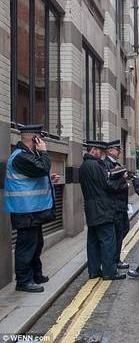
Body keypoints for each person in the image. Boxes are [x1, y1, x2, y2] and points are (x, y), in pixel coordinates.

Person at [4, 125, 60, 292]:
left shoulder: (27, 156)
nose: (42, 141)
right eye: (40, 137)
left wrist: (49, 179)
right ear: (35, 138)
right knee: (26, 246)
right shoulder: (20, 157)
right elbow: (42, 167)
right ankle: (23, 281)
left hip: (33, 209)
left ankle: (36, 274)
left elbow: (36, 174)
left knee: (36, 244)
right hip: (24, 210)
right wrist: (43, 151)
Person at [80, 141, 127, 281]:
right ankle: (109, 272)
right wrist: (120, 179)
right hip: (103, 208)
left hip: (91, 208)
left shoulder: (84, 166)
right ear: (93, 150)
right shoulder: (96, 165)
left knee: (93, 241)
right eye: (100, 151)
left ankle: (94, 271)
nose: (102, 154)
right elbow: (108, 185)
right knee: (108, 240)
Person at [103, 140, 131, 270]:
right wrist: (124, 182)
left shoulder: (116, 164)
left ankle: (115, 258)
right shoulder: (106, 164)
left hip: (121, 205)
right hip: (114, 205)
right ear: (109, 150)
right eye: (116, 149)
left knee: (124, 229)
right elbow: (110, 186)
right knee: (117, 233)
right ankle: (114, 260)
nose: (119, 151)